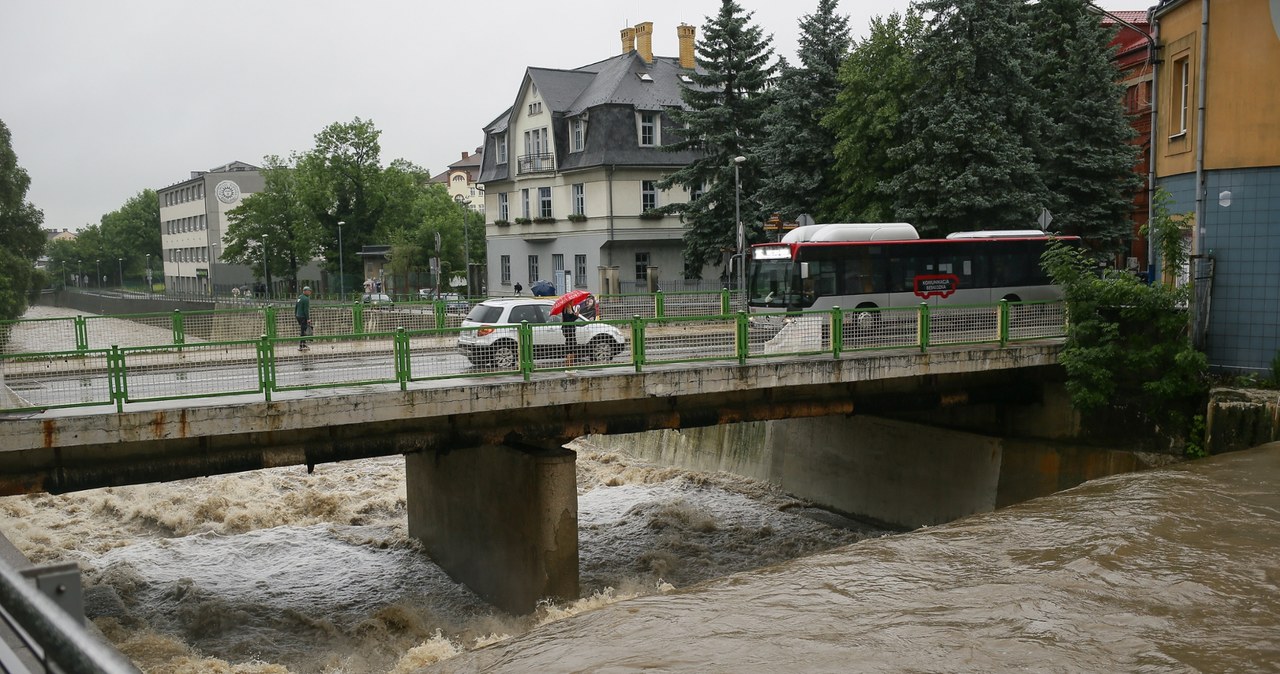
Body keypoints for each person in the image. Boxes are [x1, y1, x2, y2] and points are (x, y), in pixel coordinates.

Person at [561, 300, 580, 368]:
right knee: (570, 345)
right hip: (568, 330)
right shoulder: (565, 309)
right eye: (571, 301)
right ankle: (569, 364)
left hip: (571, 329)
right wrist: (575, 316)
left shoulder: (570, 308)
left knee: (573, 345)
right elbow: (568, 320)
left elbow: (572, 318)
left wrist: (576, 314)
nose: (573, 302)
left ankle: (571, 363)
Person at [296, 286, 312, 351]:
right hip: (303, 317)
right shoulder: (306, 299)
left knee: (303, 329)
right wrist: (308, 318)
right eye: (309, 291)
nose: (310, 292)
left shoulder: (299, 297)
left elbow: (296, 307)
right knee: (303, 331)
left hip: (298, 316)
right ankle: (301, 345)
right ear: (305, 291)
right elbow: (306, 310)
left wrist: (296, 315)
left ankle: (303, 344)